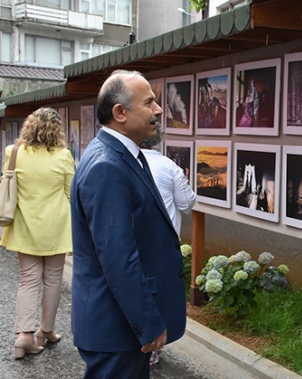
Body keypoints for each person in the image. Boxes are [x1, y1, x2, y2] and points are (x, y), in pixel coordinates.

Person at [70, 70, 186, 378]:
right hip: (115, 327)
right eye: (149, 102)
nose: (159, 111)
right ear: (120, 112)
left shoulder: (124, 156)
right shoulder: (107, 165)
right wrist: (147, 322)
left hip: (118, 325)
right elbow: (117, 256)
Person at [1, 108, 75, 359]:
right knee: (53, 280)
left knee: (29, 280)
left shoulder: (14, 152)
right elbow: (70, 194)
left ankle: (24, 336)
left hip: (25, 227)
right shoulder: (64, 156)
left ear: (28, 127)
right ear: (57, 130)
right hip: (56, 226)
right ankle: (46, 330)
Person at [139, 123, 195, 367]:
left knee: (135, 289)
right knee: (158, 294)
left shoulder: (126, 164)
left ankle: (135, 339)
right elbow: (186, 204)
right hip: (163, 243)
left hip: (134, 240)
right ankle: (152, 347)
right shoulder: (170, 167)